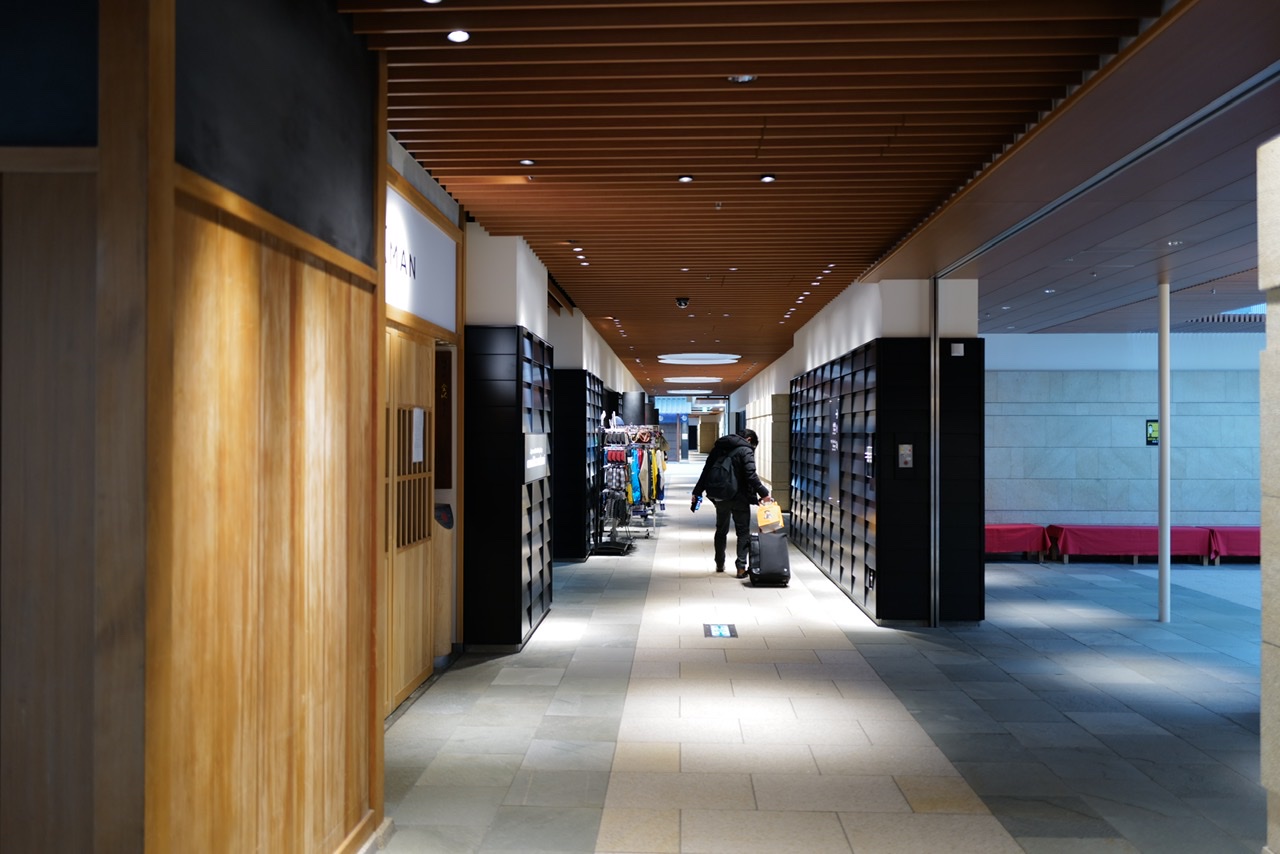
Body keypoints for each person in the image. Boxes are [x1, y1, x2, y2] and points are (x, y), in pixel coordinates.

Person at [691, 428, 773, 578]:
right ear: (749, 440)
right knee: (742, 532)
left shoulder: (719, 448)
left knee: (721, 530)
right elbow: (751, 475)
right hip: (740, 497)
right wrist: (764, 493)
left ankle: (720, 563)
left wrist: (697, 492)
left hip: (720, 496)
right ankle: (741, 568)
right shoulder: (745, 450)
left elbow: (706, 470)